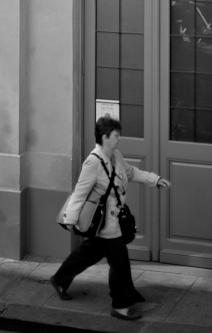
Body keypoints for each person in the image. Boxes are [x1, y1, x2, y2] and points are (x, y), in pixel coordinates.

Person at [50, 116, 172, 321]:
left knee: (88, 254)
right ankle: (121, 305)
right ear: (105, 137)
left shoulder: (115, 155)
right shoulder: (93, 162)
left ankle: (60, 279)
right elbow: (80, 192)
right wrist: (70, 220)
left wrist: (155, 179)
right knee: (120, 262)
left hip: (110, 222)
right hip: (105, 224)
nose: (119, 138)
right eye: (116, 135)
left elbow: (130, 172)